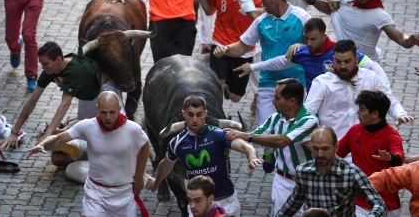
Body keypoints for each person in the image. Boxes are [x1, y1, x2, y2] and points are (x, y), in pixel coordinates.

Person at [0, 42, 124, 168]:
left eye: (45, 64)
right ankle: (87, 155)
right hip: (86, 95)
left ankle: (112, 161)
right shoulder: (50, 70)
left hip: (105, 89)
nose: (43, 67)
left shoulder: (74, 71)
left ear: (58, 59)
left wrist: (47, 136)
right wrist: (14, 132)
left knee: (114, 131)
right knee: (64, 153)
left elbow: (64, 105)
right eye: (41, 63)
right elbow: (31, 101)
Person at [27, 91, 150, 217]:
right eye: (103, 112)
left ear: (119, 109)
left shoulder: (132, 129)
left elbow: (145, 146)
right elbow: (58, 139)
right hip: (96, 194)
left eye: (112, 112)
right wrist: (43, 144)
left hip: (124, 193)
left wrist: (139, 175)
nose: (108, 117)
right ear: (97, 109)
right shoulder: (88, 126)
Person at [214, 0, 310, 127]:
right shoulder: (261, 22)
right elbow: (241, 47)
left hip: (297, 84)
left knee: (293, 134)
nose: (261, 2)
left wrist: (301, 45)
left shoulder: (301, 17)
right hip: (268, 84)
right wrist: (225, 49)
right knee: (266, 132)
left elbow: (316, 44)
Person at [146, 95, 263, 216]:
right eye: (190, 114)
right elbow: (165, 165)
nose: (195, 119)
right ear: (183, 114)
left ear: (205, 114)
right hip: (196, 208)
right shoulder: (177, 142)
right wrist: (156, 184)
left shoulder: (218, 134)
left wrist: (252, 157)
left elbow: (245, 146)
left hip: (226, 204)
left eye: (199, 114)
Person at [224, 79, 319, 216]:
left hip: (308, 183)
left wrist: (246, 136)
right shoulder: (275, 118)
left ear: (291, 101)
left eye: (277, 98)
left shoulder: (310, 121)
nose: (273, 101)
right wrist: (225, 135)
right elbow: (255, 136)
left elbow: (283, 141)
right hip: (281, 182)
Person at [235, 17, 389, 92]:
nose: (309, 43)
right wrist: (253, 66)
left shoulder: (340, 51)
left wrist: (386, 91)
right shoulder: (303, 52)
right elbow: (280, 62)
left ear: (323, 36)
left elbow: (373, 66)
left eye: (313, 39)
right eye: (306, 38)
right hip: (315, 107)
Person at [305, 39, 415, 141]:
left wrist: (400, 114)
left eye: (347, 61)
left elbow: (389, 100)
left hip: (364, 146)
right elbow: (308, 114)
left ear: (356, 59)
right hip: (335, 148)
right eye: (338, 61)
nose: (342, 66)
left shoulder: (370, 77)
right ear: (334, 59)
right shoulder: (322, 82)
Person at [275, 126, 387, 216]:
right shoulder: (303, 172)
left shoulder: (351, 172)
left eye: (325, 149)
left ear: (336, 147)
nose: (320, 154)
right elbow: (294, 203)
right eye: (315, 149)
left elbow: (379, 205)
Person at [197, 0, 261, 102]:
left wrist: (248, 10)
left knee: (235, 97)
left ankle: (228, 88)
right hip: (219, 40)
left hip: (243, 46)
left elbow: (263, 11)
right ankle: (216, 115)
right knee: (215, 86)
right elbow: (209, 10)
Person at [315, 0, 419, 63]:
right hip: (343, 64)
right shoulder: (346, 0)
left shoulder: (379, 15)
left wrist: (410, 40)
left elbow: (401, 39)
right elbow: (330, 9)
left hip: (366, 68)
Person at [336, 90, 404, 217]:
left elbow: (399, 158)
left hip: (387, 203)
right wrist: (322, 148)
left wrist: (390, 158)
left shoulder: (392, 136)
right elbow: (337, 153)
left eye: (361, 109)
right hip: (360, 201)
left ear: (375, 114)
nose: (358, 113)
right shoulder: (355, 130)